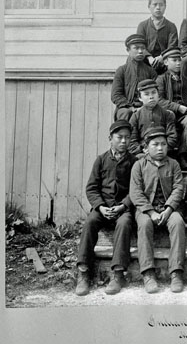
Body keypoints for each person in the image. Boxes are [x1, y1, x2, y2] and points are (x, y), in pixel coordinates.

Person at [75, 120, 137, 296]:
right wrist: (100, 207)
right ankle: (83, 272)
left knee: (125, 224)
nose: (124, 141)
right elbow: (92, 188)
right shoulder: (101, 160)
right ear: (110, 138)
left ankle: (118, 274)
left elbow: (135, 190)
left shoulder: (134, 162)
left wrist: (123, 206)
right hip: (103, 207)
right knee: (89, 223)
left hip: (122, 209)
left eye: (127, 138)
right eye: (119, 137)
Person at [129, 127, 186, 293]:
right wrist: (151, 212)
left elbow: (178, 188)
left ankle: (176, 272)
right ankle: (148, 273)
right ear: (146, 148)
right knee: (145, 225)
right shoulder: (139, 165)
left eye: (163, 144)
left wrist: (168, 209)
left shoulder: (173, 164)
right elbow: (135, 192)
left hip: (168, 209)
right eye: (155, 144)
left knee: (178, 222)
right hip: (146, 210)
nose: (160, 148)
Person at [156, 47, 187, 164]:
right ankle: (169, 152)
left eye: (179, 60)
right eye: (174, 60)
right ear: (166, 62)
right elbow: (159, 100)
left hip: (184, 114)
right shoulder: (161, 80)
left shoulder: (185, 79)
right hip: (167, 114)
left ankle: (183, 154)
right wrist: (177, 107)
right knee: (170, 114)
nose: (178, 63)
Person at [111, 34, 157, 121]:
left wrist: (145, 107)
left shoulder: (151, 72)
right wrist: (131, 107)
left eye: (143, 48)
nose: (140, 51)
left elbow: (156, 93)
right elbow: (116, 95)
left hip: (146, 106)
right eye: (136, 48)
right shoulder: (121, 70)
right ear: (128, 50)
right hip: (126, 107)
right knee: (126, 113)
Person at [128, 79, 177, 157]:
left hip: (163, 151)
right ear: (140, 98)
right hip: (144, 152)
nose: (151, 97)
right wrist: (142, 149)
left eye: (154, 93)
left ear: (158, 95)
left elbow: (172, 137)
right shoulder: (136, 116)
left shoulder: (167, 114)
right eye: (146, 94)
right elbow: (131, 140)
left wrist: (162, 149)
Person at [136, 0, 178, 74]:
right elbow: (140, 45)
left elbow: (172, 46)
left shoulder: (171, 26)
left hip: (165, 63)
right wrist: (149, 57)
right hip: (146, 62)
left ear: (165, 6)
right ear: (149, 6)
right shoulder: (143, 25)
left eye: (161, 5)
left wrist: (162, 57)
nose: (158, 8)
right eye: (155, 5)